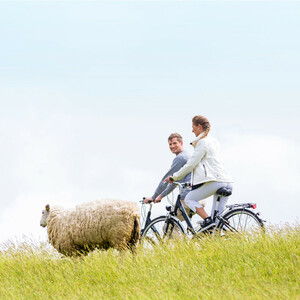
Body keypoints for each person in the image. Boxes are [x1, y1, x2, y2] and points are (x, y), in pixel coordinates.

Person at [164, 115, 233, 231]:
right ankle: (227, 236)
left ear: (199, 127)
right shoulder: (214, 141)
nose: (192, 130)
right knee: (217, 224)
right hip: (227, 180)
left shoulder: (202, 143)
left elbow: (191, 164)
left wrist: (174, 177)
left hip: (215, 181)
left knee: (189, 199)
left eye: (193, 127)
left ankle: (207, 220)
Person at [144, 133, 191, 204]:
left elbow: (165, 180)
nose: (172, 146)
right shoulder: (187, 154)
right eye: (170, 144)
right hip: (194, 195)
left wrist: (153, 197)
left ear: (181, 143)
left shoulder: (180, 158)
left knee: (176, 214)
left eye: (175, 143)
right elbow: (173, 182)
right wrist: (161, 196)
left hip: (187, 197)